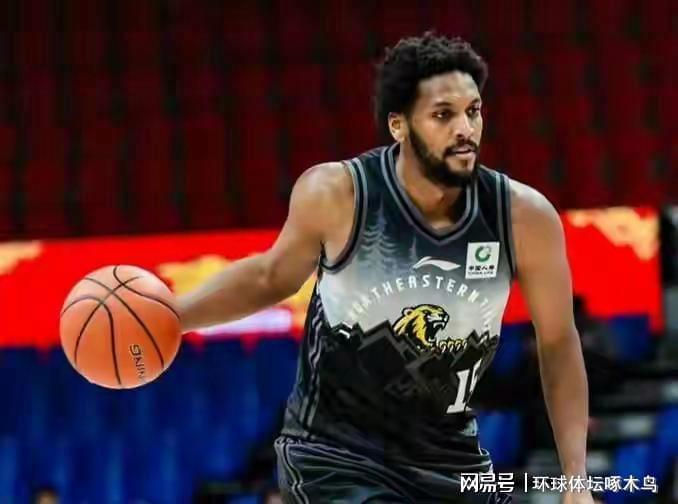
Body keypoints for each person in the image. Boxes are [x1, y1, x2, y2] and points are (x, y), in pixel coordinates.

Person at [178, 33, 592, 503]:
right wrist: (174, 317)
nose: (466, 129)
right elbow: (269, 277)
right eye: (443, 115)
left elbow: (558, 342)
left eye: (473, 111)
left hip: (450, 461)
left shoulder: (523, 217)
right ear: (398, 125)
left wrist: (575, 476)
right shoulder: (338, 194)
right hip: (335, 458)